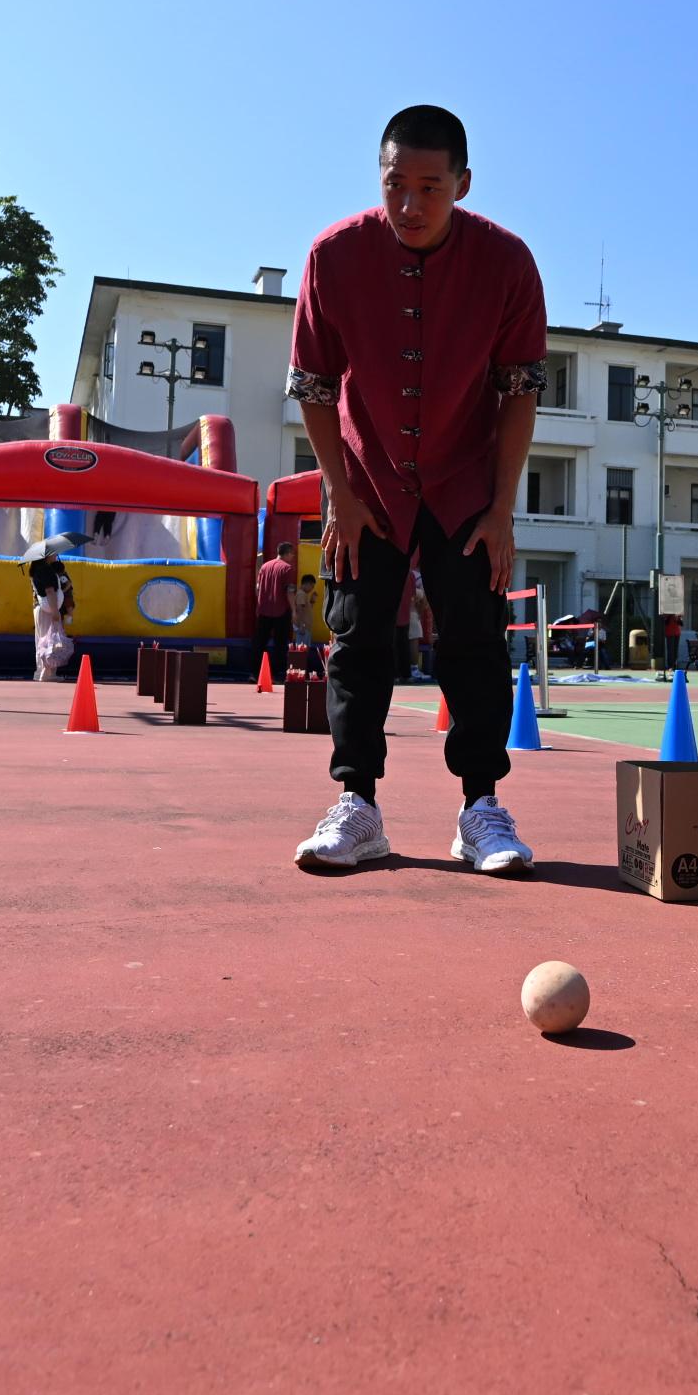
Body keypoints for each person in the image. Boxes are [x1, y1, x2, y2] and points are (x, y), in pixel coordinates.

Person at [285, 103, 546, 876]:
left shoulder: (507, 262)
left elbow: (520, 388)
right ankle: (357, 805)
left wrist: (502, 510)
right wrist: (339, 492)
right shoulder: (333, 255)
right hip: (365, 482)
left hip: (466, 483)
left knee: (473, 642)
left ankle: (480, 809)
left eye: (430, 187)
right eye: (396, 184)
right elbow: (311, 384)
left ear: (462, 184)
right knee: (359, 638)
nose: (409, 205)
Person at [27, 553, 77, 681]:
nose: (56, 555)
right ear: (46, 555)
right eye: (53, 553)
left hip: (40, 608)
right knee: (51, 640)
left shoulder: (36, 570)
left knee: (41, 640)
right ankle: (48, 672)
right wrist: (55, 611)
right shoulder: (46, 570)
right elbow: (50, 591)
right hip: (49, 609)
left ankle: (40, 671)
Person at [253, 546, 297, 684]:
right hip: (281, 611)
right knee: (280, 644)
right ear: (288, 553)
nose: (293, 557)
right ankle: (278, 675)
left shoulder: (265, 567)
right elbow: (289, 591)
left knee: (260, 643)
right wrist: (294, 610)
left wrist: (259, 604)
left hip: (264, 610)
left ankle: (255, 673)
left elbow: (258, 588)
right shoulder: (287, 569)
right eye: (292, 554)